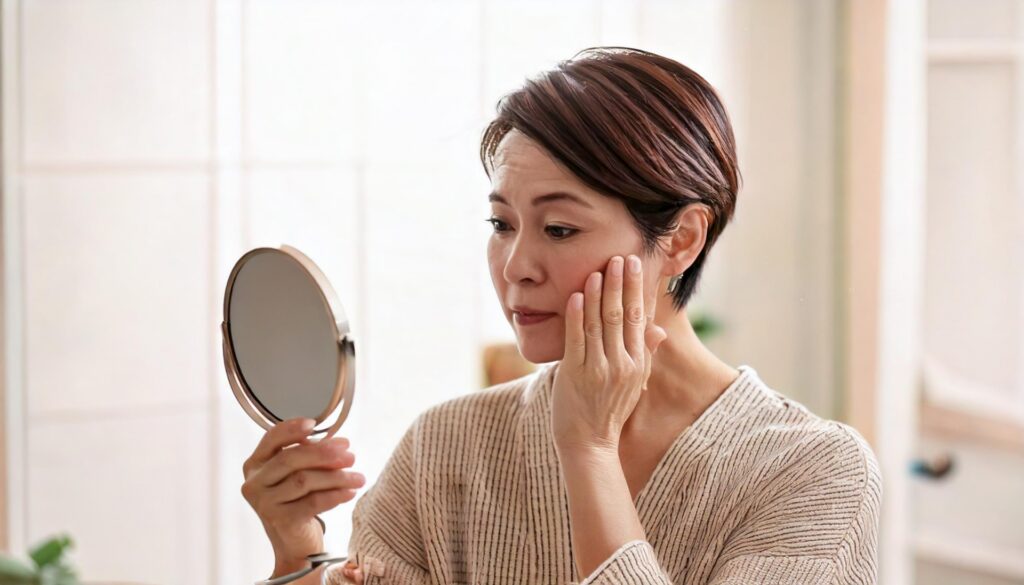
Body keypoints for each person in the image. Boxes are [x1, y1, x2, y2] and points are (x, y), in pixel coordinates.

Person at [241, 47, 882, 585]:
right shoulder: (443, 448)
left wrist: (589, 449)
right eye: (502, 224)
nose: (516, 265)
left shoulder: (814, 473)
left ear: (682, 239)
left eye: (559, 228)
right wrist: (299, 554)